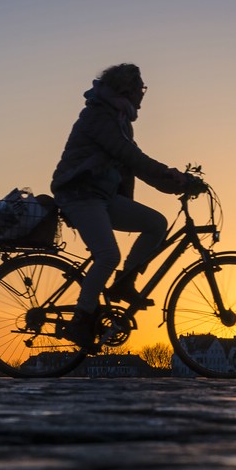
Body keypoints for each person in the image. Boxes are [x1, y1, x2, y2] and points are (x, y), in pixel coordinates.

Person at [50, 63, 199, 348]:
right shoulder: (98, 116)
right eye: (141, 89)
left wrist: (177, 183)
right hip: (80, 194)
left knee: (155, 224)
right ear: (126, 90)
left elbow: (137, 167)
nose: (143, 95)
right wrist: (168, 172)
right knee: (107, 255)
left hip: (103, 196)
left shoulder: (119, 120)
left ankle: (125, 283)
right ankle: (80, 320)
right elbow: (129, 155)